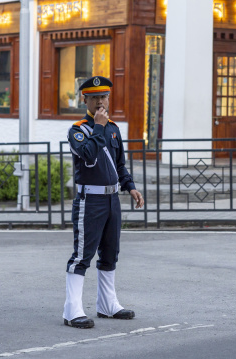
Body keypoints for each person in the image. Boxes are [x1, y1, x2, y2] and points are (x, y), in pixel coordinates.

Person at [63, 76, 145, 329]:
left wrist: (130, 186)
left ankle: (107, 304)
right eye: (94, 97)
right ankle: (71, 310)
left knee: (110, 252)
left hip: (112, 199)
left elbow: (120, 164)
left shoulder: (113, 128)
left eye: (104, 96)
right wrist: (97, 127)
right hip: (90, 199)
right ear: (84, 99)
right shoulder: (78, 129)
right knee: (82, 255)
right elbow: (87, 153)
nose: (100, 101)